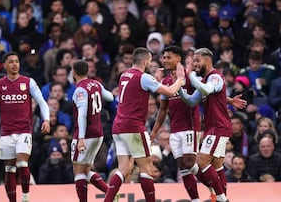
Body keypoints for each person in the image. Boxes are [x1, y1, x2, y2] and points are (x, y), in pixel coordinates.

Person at [104, 47, 185, 202]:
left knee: (124, 169)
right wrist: (180, 80)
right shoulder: (144, 77)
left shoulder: (124, 75)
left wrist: (155, 80)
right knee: (147, 169)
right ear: (143, 61)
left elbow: (138, 91)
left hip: (118, 127)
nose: (150, 63)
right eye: (149, 61)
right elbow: (169, 92)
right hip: (133, 127)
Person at [0, 52, 50, 202]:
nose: (15, 64)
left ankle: (25, 197)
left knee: (22, 163)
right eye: (11, 62)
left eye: (17, 62)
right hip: (6, 132)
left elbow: (42, 102)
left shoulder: (28, 82)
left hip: (24, 130)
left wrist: (47, 120)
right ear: (5, 65)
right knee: (9, 169)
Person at [178, 48, 231, 202]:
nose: (195, 64)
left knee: (201, 162)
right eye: (194, 61)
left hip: (218, 127)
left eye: (197, 60)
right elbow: (191, 100)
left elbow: (207, 89)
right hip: (213, 127)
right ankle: (222, 198)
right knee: (217, 165)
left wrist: (191, 76)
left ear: (207, 60)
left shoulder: (215, 77)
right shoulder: (205, 80)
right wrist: (180, 86)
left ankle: (222, 199)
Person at [151, 46, 201, 202]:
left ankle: (214, 183)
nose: (165, 60)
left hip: (190, 127)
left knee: (189, 163)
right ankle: (196, 200)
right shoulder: (165, 82)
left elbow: (205, 94)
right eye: (164, 57)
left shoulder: (190, 77)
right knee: (183, 167)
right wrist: (154, 132)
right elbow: (162, 110)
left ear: (178, 59)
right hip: (174, 129)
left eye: (168, 57)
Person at [71, 60, 114, 202]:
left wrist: (81, 138)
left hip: (85, 134)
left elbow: (82, 114)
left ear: (74, 72)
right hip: (98, 133)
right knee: (86, 169)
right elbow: (110, 97)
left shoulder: (80, 90)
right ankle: (110, 193)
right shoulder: (96, 84)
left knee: (78, 171)